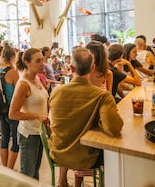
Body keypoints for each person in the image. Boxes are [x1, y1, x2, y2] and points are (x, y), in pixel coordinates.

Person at [49, 47, 124, 187]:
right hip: (85, 157)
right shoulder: (102, 95)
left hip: (57, 153)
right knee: (111, 154)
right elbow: (114, 129)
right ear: (93, 67)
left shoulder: (56, 92)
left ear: (70, 67)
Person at [9, 48, 49, 180]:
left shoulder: (37, 79)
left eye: (42, 60)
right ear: (27, 62)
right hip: (28, 134)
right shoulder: (23, 85)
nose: (42, 63)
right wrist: (37, 116)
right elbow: (13, 114)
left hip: (39, 132)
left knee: (34, 173)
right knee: (27, 175)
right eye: (38, 61)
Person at [0, 45, 20, 169]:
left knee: (4, 140)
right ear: (12, 57)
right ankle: (9, 170)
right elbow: (19, 92)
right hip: (12, 110)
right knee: (16, 143)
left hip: (0, 109)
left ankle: (5, 167)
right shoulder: (13, 72)